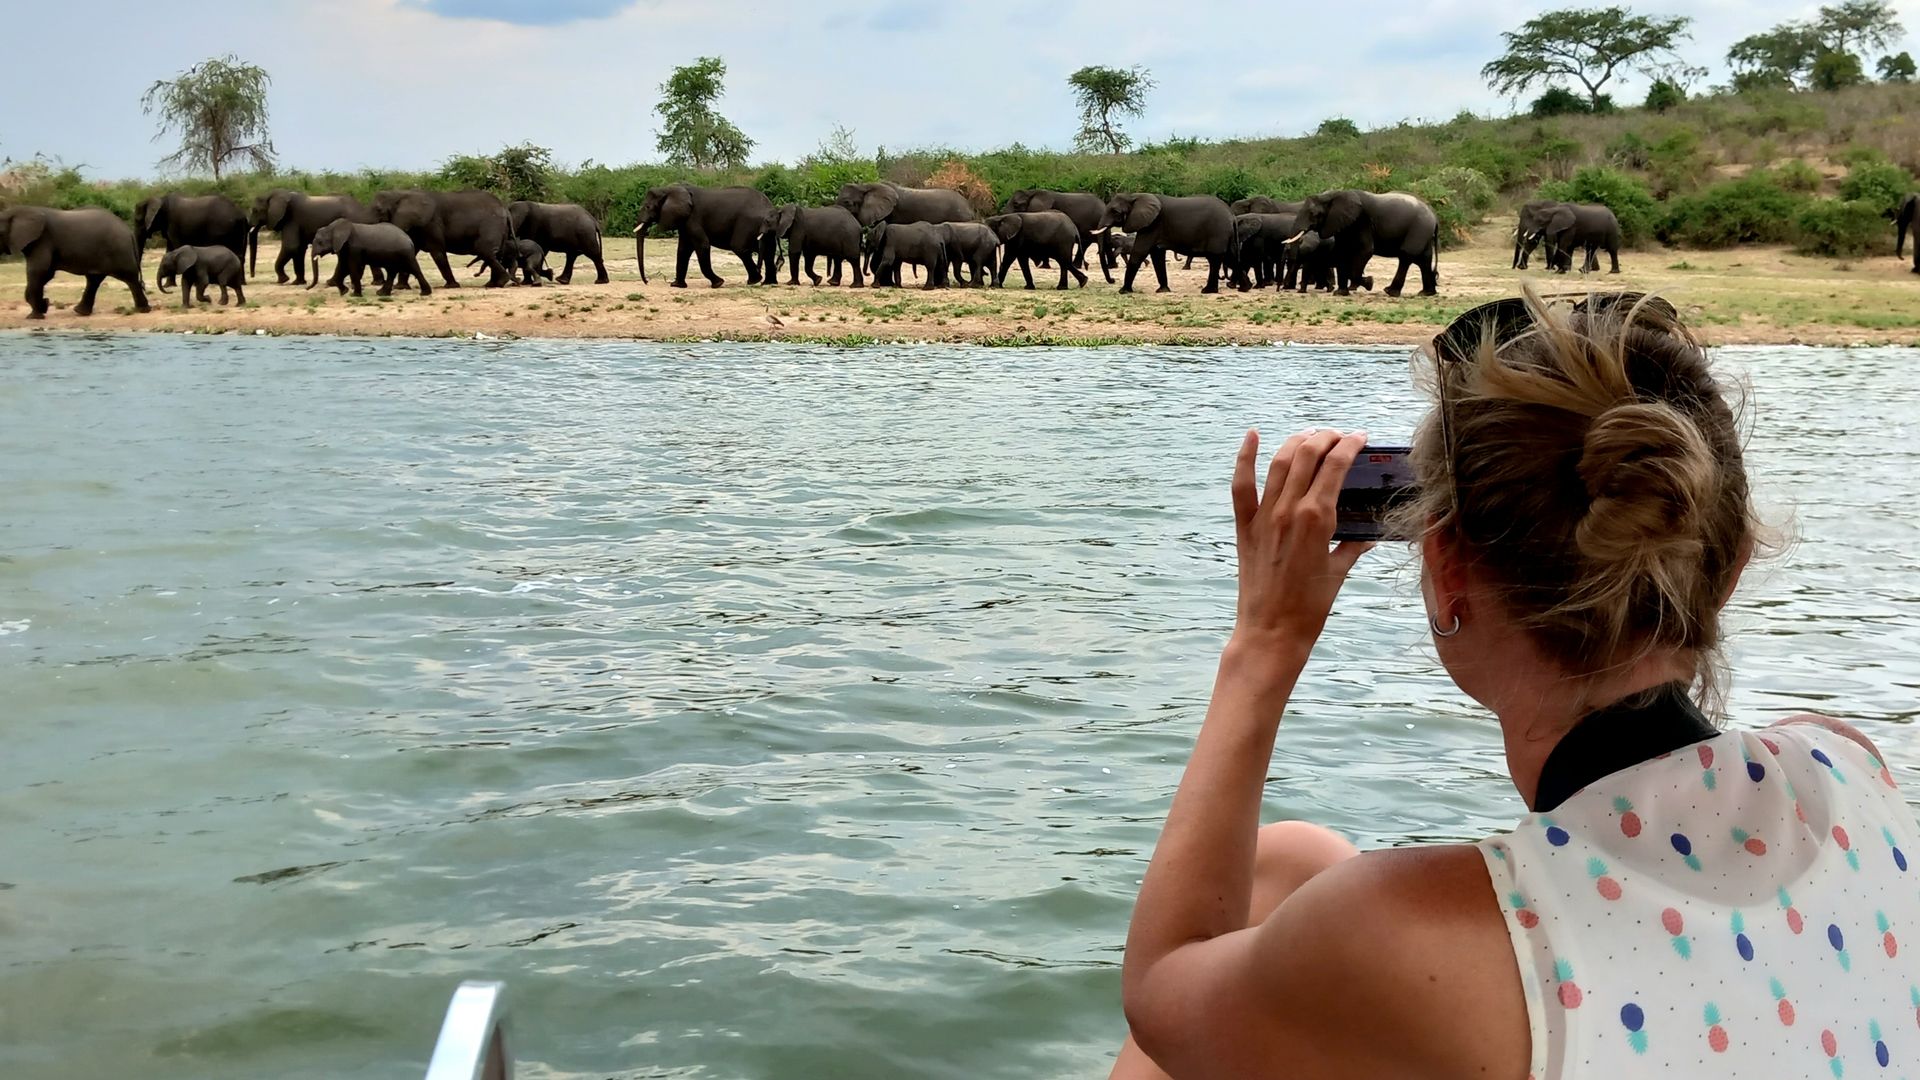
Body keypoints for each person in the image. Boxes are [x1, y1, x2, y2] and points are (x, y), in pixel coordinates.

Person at [1110, 292, 1920, 1079]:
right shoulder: (1852, 768)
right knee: (1293, 861)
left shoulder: (1394, 928)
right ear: (1730, 566)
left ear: (1445, 567)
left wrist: (1265, 643)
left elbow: (1162, 991)